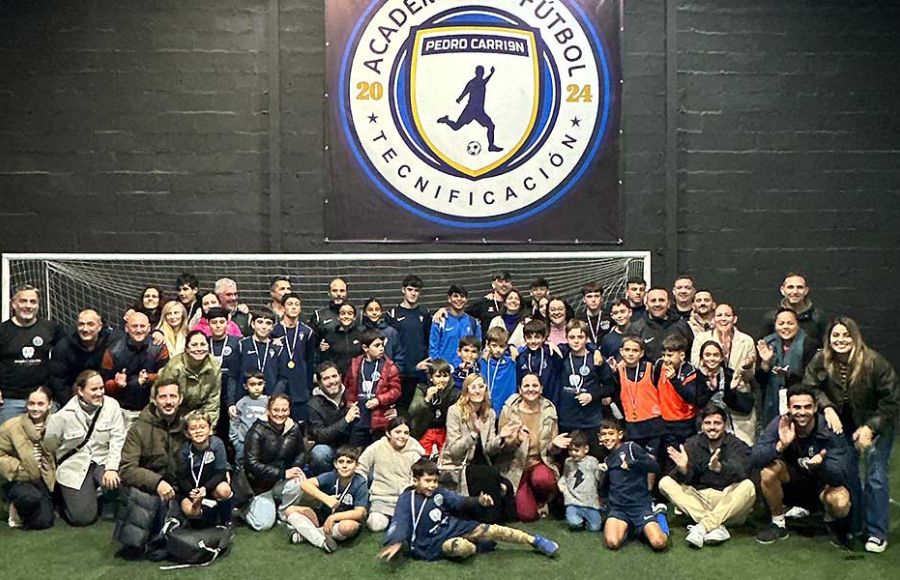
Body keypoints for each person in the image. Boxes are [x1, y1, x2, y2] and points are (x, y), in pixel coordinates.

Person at [803, 317, 898, 553]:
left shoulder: (874, 362)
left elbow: (891, 400)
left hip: (876, 425)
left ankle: (877, 532)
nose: (841, 340)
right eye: (836, 335)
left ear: (854, 337)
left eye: (846, 335)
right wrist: (826, 407)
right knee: (849, 475)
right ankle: (855, 526)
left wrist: (870, 428)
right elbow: (810, 386)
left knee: (875, 476)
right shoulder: (821, 359)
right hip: (842, 427)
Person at [378, 458, 559, 562]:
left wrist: (478, 501)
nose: (432, 485)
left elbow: (459, 502)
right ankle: (478, 546)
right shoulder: (406, 499)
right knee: (460, 548)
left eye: (434, 481)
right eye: (427, 481)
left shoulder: (440, 492)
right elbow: (399, 522)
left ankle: (534, 540)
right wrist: (395, 541)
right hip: (431, 545)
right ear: (415, 480)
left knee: (493, 529)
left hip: (454, 527)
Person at [751, 385, 856, 547]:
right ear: (788, 408)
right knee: (768, 472)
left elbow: (842, 473)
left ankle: (830, 519)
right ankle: (778, 522)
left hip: (821, 486)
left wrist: (822, 465)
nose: (802, 412)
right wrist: (780, 446)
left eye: (807, 407)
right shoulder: (780, 424)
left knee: (841, 502)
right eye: (797, 407)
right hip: (791, 484)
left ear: (815, 408)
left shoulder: (829, 428)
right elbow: (755, 458)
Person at [659, 404, 755, 548]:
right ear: (702, 426)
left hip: (727, 501)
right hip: (700, 500)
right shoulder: (692, 444)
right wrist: (683, 469)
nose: (712, 427)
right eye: (708, 423)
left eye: (717, 423)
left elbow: (742, 470)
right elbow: (681, 479)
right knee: (665, 482)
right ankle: (716, 527)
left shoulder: (737, 444)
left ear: (725, 425)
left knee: (748, 486)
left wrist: (720, 468)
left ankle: (702, 527)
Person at [44, 370, 126, 526]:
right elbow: (50, 444)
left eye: (101, 388)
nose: (100, 393)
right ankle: (65, 498)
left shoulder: (112, 406)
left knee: (124, 482)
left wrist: (112, 468)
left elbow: (117, 439)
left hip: (103, 460)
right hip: (75, 466)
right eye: (94, 389)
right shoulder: (62, 416)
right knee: (82, 518)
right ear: (80, 391)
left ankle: (105, 496)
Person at [115, 380, 187, 558]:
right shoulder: (138, 429)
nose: (168, 401)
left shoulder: (187, 426)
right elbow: (126, 468)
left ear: (180, 399)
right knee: (137, 546)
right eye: (163, 396)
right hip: (148, 490)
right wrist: (157, 483)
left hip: (179, 488)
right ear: (154, 399)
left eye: (173, 396)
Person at [496, 373, 565, 522]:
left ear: (541, 389)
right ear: (520, 390)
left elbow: (551, 451)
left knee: (543, 479)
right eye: (526, 386)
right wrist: (516, 441)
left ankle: (542, 500)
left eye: (535, 385)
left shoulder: (549, 411)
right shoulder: (508, 410)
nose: (531, 389)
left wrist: (555, 445)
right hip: (515, 466)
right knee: (527, 515)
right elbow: (502, 449)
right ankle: (527, 496)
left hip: (540, 463)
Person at [691, 303, 758, 443]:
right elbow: (696, 365)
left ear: (735, 319)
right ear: (713, 319)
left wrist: (746, 367)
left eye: (727, 315)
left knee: (742, 447)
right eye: (719, 315)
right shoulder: (701, 339)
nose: (723, 319)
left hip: (738, 400)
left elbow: (750, 376)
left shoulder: (746, 341)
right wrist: (715, 361)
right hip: (711, 401)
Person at [599, 418, 668, 551]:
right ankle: (629, 527)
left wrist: (633, 463)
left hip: (640, 507)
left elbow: (655, 467)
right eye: (604, 434)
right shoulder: (607, 459)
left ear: (619, 434)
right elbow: (608, 486)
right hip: (619, 509)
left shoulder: (631, 448)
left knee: (659, 543)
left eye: (611, 433)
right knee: (612, 543)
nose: (607, 438)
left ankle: (660, 515)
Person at [241, 393, 307, 531]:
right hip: (259, 486)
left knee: (300, 479)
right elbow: (251, 464)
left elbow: (301, 452)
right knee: (263, 525)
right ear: (268, 410)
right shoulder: (256, 431)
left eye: (284, 410)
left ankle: (284, 512)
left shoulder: (293, 428)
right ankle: (245, 509)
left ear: (289, 411)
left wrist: (295, 468)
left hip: (281, 481)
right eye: (276, 410)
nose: (280, 414)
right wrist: (282, 473)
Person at [0, 284, 63, 423]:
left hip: (42, 399)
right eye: (23, 301)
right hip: (10, 400)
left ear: (38, 305)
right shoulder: (3, 331)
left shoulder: (51, 329)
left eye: (33, 302)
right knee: (8, 443)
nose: (28, 306)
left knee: (46, 443)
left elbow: (64, 359)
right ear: (13, 304)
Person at [289, 445, 369, 553]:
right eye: (341, 462)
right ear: (335, 464)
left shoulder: (360, 482)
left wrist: (334, 518)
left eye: (349, 462)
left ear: (357, 465)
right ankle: (321, 541)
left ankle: (306, 534)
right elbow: (305, 484)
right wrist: (326, 498)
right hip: (323, 515)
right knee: (290, 510)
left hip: (343, 521)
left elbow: (360, 512)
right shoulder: (331, 476)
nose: (344, 466)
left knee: (349, 527)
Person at [438, 374, 505, 497]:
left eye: (481, 387)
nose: (478, 391)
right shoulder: (454, 411)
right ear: (466, 391)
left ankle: (503, 516)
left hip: (483, 463)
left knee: (506, 485)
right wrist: (473, 434)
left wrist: (503, 438)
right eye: (473, 387)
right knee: (489, 476)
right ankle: (488, 516)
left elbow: (489, 450)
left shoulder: (490, 413)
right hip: (460, 464)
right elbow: (454, 451)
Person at [0, 386, 57, 529]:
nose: (35, 408)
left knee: (44, 522)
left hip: (45, 478)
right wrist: (17, 468)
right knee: (30, 498)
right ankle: (14, 506)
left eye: (40, 404)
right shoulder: (11, 426)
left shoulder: (56, 424)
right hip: (20, 479)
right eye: (31, 404)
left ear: (50, 404)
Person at [101, 311, 170, 428]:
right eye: (134, 326)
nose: (138, 330)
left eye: (142, 326)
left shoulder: (159, 348)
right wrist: (117, 385)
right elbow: (103, 384)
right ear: (127, 328)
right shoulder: (112, 351)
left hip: (152, 408)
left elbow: (168, 377)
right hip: (122, 410)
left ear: (149, 328)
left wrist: (149, 378)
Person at [356, 417, 425, 532]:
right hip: (381, 498)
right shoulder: (377, 447)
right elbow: (361, 468)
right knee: (376, 525)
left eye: (406, 433)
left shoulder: (415, 452)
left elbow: (420, 477)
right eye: (398, 432)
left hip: (405, 499)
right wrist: (362, 490)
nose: (402, 436)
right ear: (388, 433)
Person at [756, 307, 819, 425]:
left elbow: (811, 378)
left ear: (797, 324)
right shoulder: (767, 343)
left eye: (790, 323)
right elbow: (760, 381)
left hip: (800, 401)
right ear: (775, 325)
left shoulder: (809, 344)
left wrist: (789, 375)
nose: (785, 327)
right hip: (772, 401)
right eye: (781, 323)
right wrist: (766, 363)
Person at [557, 319, 607, 457]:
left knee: (594, 461)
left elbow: (610, 386)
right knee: (567, 463)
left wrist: (593, 395)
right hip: (567, 420)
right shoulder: (561, 356)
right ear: (566, 338)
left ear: (586, 338)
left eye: (580, 337)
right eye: (572, 337)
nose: (576, 341)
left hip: (591, 421)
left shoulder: (597, 359)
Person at [343, 328, 401, 447]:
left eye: (382, 345)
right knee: (354, 452)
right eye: (376, 345)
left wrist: (379, 400)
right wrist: (350, 403)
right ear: (365, 348)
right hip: (359, 418)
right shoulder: (356, 364)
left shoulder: (389, 367)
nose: (381, 348)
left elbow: (396, 390)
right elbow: (348, 386)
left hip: (379, 418)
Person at [694, 341, 757, 444]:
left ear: (722, 358)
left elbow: (734, 404)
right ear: (701, 359)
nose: (712, 358)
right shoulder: (697, 376)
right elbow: (698, 402)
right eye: (708, 355)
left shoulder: (728, 374)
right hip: (704, 422)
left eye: (716, 355)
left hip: (726, 421)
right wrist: (712, 389)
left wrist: (731, 390)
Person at [176, 410, 232, 525]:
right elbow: (181, 477)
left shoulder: (217, 444)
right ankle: (199, 518)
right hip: (191, 490)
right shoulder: (184, 451)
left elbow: (220, 472)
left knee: (225, 489)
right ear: (187, 433)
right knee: (191, 512)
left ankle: (225, 520)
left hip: (210, 487)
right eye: (193, 428)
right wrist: (191, 492)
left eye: (202, 427)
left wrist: (205, 489)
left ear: (210, 429)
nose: (198, 431)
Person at [156, 329, 221, 428]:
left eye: (202, 344)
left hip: (200, 416)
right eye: (194, 345)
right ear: (186, 348)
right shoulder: (174, 367)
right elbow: (164, 400)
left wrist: (206, 428)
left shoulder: (214, 366)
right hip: (174, 415)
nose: (199, 349)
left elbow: (213, 403)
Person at [387, 274, 431, 412]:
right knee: (399, 411)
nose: (413, 293)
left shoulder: (425, 313)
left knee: (418, 410)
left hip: (420, 371)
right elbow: (388, 344)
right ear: (403, 290)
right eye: (410, 289)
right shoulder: (392, 314)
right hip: (399, 372)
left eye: (416, 291)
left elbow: (429, 340)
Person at [49, 308, 112, 405]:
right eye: (81, 324)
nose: (85, 329)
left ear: (100, 326)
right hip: (72, 400)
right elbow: (59, 381)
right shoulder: (63, 347)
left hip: (105, 399)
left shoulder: (111, 344)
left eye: (90, 324)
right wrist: (73, 406)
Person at [271, 293, 316, 421]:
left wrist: (308, 387)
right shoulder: (274, 331)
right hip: (280, 384)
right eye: (290, 304)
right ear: (283, 308)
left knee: (299, 426)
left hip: (300, 386)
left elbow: (310, 359)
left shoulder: (307, 332)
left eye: (297, 304)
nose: (294, 307)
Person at [307, 362, 358, 475]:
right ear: (319, 383)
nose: (332, 381)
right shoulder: (313, 404)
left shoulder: (353, 395)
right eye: (326, 378)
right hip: (330, 449)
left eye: (334, 376)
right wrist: (346, 421)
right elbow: (320, 436)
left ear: (340, 377)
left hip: (353, 446)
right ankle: (326, 486)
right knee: (319, 453)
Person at [626, 287, 693, 362]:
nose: (657, 304)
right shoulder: (636, 328)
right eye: (653, 300)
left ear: (668, 304)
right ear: (647, 304)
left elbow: (690, 354)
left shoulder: (681, 325)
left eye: (661, 300)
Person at [409, 359, 458, 455]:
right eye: (438, 376)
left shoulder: (454, 392)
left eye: (445, 376)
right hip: (424, 430)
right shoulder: (422, 388)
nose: (442, 380)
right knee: (423, 456)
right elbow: (413, 411)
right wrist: (426, 399)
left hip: (445, 431)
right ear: (431, 378)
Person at [761, 272, 827, 341]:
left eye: (800, 287)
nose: (795, 292)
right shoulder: (771, 318)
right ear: (782, 290)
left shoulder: (817, 317)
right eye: (790, 287)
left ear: (806, 290)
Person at [559, 430, 603, 532]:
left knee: (595, 528)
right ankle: (577, 520)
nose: (573, 453)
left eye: (576, 450)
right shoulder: (568, 462)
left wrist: (600, 471)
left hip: (590, 502)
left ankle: (588, 519)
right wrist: (562, 486)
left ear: (586, 449)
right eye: (570, 450)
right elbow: (565, 476)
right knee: (574, 523)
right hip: (573, 501)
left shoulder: (592, 461)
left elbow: (598, 478)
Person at [236, 309, 284, 399]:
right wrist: (232, 402)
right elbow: (233, 375)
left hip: (270, 399)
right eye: (260, 322)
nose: (264, 327)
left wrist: (274, 397)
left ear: (273, 327)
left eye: (268, 323)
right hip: (244, 398)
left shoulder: (278, 348)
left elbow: (282, 378)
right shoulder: (242, 345)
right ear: (253, 324)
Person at [429, 285, 481, 367]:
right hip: (446, 372)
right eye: (455, 296)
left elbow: (478, 347)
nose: (459, 299)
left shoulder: (473, 322)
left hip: (467, 371)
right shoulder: (440, 320)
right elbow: (433, 349)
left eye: (462, 296)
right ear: (449, 299)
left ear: (466, 300)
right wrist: (440, 368)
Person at [516, 319, 562, 407]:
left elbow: (570, 349)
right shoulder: (521, 356)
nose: (533, 341)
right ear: (524, 338)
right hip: (527, 403)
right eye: (529, 337)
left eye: (537, 337)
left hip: (550, 403)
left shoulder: (551, 353)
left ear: (544, 337)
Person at [230, 371, 269, 463]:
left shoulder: (268, 402)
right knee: (241, 468)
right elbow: (234, 422)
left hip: (264, 444)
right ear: (245, 386)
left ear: (264, 384)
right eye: (252, 384)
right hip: (243, 444)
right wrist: (236, 441)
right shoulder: (241, 403)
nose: (256, 387)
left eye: (260, 384)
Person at [361, 297, 406, 372]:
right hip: (366, 371)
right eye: (370, 310)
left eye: (377, 309)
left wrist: (395, 369)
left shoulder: (391, 332)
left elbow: (399, 354)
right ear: (364, 313)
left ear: (381, 312)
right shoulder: (360, 331)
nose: (374, 312)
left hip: (387, 373)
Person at [480, 327, 517, 415]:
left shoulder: (512, 360)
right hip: (485, 409)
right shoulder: (483, 360)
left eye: (501, 346)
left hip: (506, 410)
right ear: (487, 344)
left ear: (506, 346)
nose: (498, 350)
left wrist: (512, 346)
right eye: (494, 345)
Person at [319, 302, 362, 376]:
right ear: (338, 317)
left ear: (354, 317)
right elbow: (325, 360)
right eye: (343, 313)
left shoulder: (361, 335)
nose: (346, 316)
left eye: (350, 313)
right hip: (337, 378)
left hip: (357, 377)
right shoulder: (330, 337)